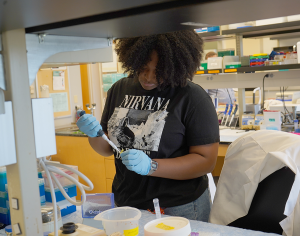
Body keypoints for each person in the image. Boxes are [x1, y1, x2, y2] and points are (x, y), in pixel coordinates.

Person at [77, 30, 220, 222]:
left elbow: (206, 161)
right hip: (127, 201)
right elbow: (106, 149)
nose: (149, 77)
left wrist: (152, 166)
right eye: (143, 67)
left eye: (159, 71)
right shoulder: (119, 89)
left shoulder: (192, 97)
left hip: (177, 208)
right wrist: (94, 134)